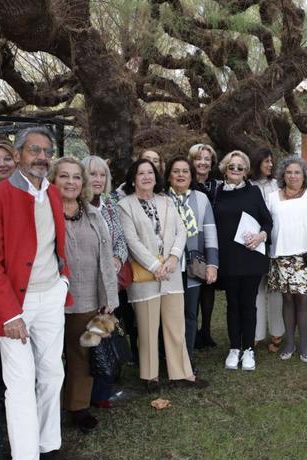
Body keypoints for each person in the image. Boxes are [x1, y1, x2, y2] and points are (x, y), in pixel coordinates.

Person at [0, 126, 73, 460]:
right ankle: (25, 456)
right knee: (19, 385)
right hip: (15, 305)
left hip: (51, 296)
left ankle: (49, 446)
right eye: (34, 150)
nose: (42, 157)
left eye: (47, 151)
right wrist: (9, 313)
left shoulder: (54, 193)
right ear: (17, 155)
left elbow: (58, 246)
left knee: (52, 373)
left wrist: (63, 283)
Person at [117, 159, 205, 391]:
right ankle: (150, 377)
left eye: (150, 173)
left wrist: (174, 257)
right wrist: (155, 266)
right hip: (146, 277)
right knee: (147, 329)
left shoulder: (166, 201)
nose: (146, 177)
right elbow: (131, 241)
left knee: (176, 327)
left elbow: (181, 230)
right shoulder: (125, 205)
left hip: (172, 274)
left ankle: (181, 374)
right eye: (140, 173)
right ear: (133, 178)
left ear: (156, 177)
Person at [49, 157, 118, 431]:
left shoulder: (92, 214)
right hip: (51, 301)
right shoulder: (43, 212)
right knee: (50, 360)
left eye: (76, 177)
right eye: (63, 176)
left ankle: (78, 408)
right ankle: (49, 410)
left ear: (83, 183)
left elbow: (105, 259)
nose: (70, 182)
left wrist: (108, 301)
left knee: (81, 356)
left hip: (87, 298)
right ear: (53, 180)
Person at [267, 155, 307, 363]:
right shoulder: (272, 197)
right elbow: (266, 225)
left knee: (304, 300)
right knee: (287, 300)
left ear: (304, 175)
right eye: (289, 172)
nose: (293, 176)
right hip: (281, 255)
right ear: (282, 175)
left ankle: (303, 344)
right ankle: (289, 343)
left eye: (297, 172)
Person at [212, 151, 272, 369]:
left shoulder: (254, 192)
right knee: (232, 304)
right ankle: (234, 348)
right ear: (225, 169)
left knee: (248, 304)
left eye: (240, 167)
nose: (235, 170)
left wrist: (261, 236)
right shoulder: (218, 192)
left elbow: (267, 222)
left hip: (250, 257)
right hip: (228, 259)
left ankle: (249, 349)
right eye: (232, 166)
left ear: (246, 171)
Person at [81, 155, 130, 408]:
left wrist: (117, 259)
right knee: (85, 339)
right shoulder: (76, 205)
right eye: (92, 174)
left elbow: (120, 240)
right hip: (85, 285)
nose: (97, 179)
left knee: (106, 333)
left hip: (110, 284)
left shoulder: (110, 204)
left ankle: (102, 392)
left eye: (102, 175)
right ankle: (83, 397)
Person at [165, 157, 218, 365]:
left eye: (185, 171)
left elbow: (210, 234)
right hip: (167, 267)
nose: (180, 175)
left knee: (189, 314)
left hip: (193, 267)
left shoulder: (201, 199)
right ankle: (168, 359)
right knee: (169, 316)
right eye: (176, 171)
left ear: (191, 175)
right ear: (168, 175)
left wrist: (212, 264)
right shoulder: (161, 199)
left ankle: (186, 359)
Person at [248, 147, 285, 353]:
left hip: (276, 240)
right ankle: (256, 333)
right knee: (257, 288)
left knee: (275, 288)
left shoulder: (277, 185)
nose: (270, 165)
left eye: (271, 161)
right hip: (255, 241)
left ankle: (277, 332)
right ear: (257, 162)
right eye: (266, 161)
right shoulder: (248, 185)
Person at [189, 143, 221, 350]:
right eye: (198, 158)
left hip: (214, 241)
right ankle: (191, 329)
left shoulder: (218, 185)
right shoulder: (185, 184)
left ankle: (206, 331)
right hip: (192, 241)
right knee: (193, 286)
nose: (202, 162)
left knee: (209, 287)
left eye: (207, 159)